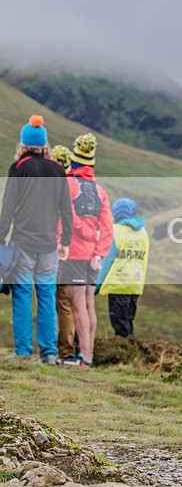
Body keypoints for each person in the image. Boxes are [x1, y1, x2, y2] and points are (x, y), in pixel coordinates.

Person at [0, 116, 72, 364]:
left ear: (24, 144)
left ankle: (22, 351)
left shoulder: (19, 168)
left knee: (21, 294)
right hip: (49, 245)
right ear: (44, 144)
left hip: (23, 243)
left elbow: (8, 207)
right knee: (46, 295)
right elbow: (66, 209)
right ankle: (49, 353)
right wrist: (65, 242)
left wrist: (1, 239)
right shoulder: (57, 169)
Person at [58, 133, 113, 367]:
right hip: (93, 256)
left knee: (77, 303)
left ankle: (84, 357)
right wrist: (100, 252)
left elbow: (64, 218)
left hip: (74, 252)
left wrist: (64, 242)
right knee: (89, 304)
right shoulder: (100, 191)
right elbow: (107, 226)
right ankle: (88, 355)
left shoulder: (68, 185)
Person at [95, 198, 149, 338]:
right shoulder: (143, 233)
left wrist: (96, 286)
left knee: (120, 324)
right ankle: (130, 351)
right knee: (128, 321)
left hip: (119, 284)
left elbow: (107, 261)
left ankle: (124, 353)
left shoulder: (115, 232)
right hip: (135, 284)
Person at [50, 145, 79, 360]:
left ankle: (51, 349)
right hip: (77, 252)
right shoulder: (78, 185)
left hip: (55, 247)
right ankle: (69, 351)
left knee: (50, 299)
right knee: (68, 303)